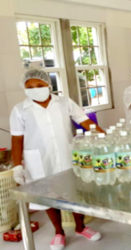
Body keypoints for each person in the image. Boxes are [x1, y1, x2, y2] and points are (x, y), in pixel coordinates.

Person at [10, 68, 103, 250]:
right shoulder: (20, 110)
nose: (35, 89)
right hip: (39, 159)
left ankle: (81, 227)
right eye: (30, 86)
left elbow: (85, 121)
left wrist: (104, 136)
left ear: (48, 85)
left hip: (66, 154)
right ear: (24, 89)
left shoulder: (63, 102)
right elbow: (16, 138)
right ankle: (59, 232)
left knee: (76, 191)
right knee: (47, 195)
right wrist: (16, 166)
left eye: (39, 85)